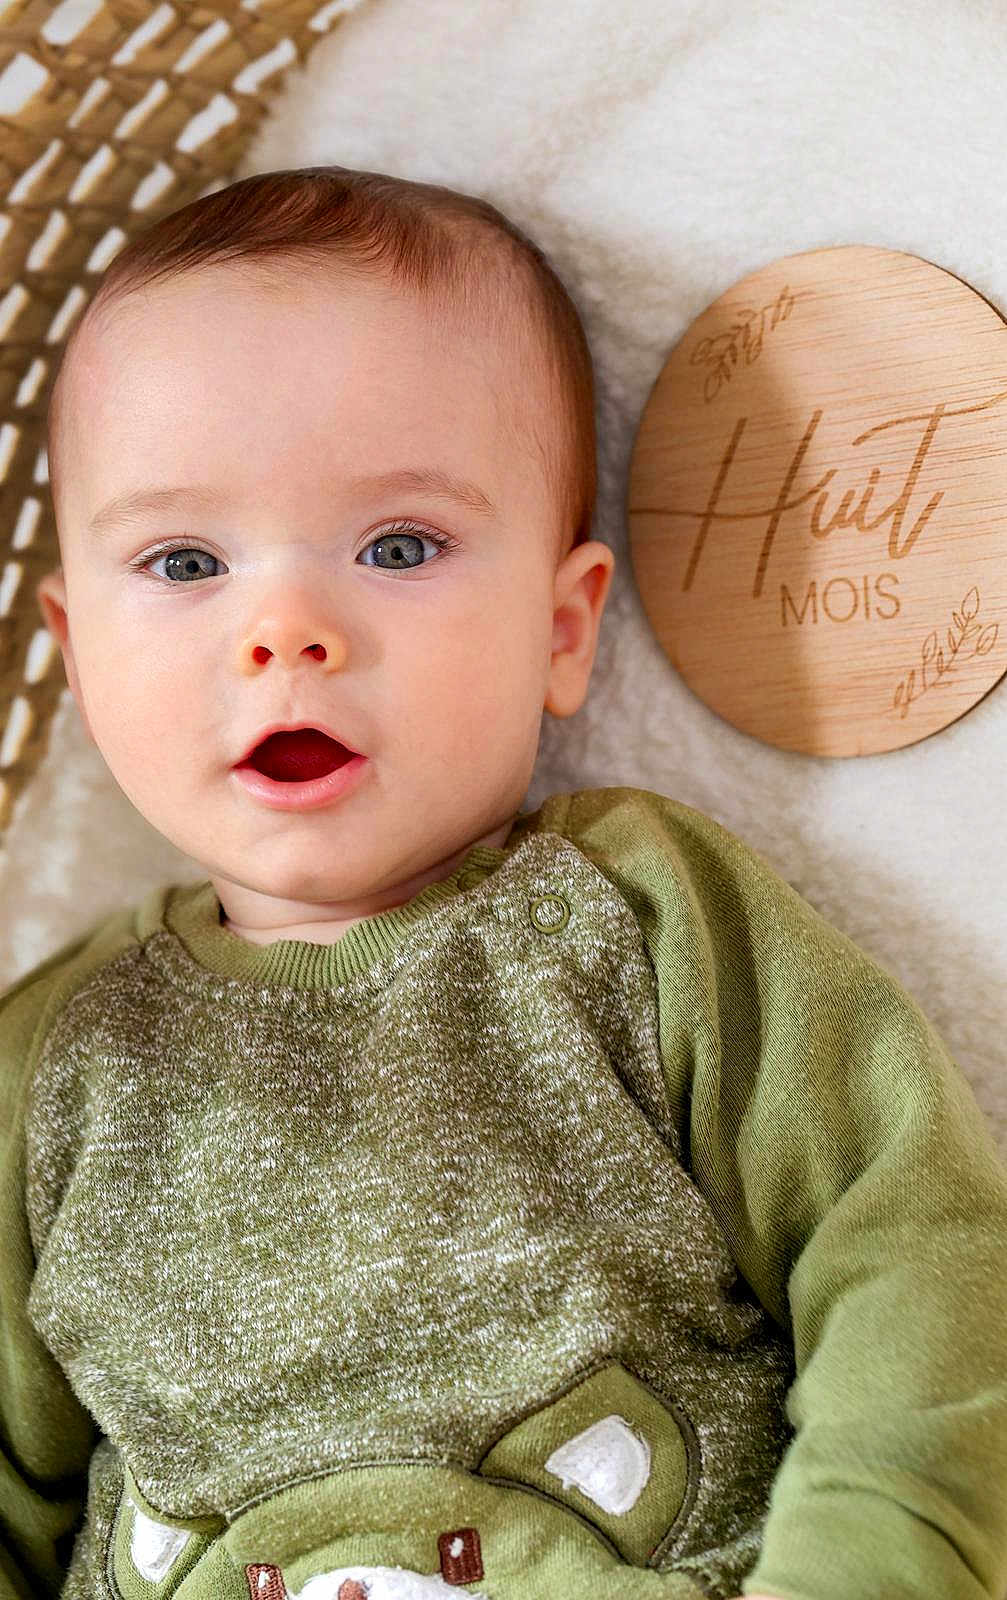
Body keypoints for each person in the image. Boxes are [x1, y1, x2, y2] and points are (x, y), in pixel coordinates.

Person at [3, 165, 1004, 1600]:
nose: (285, 629)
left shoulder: (634, 922)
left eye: (398, 546)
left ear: (560, 627)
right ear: (78, 649)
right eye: (184, 560)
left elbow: (912, 1248)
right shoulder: (60, 1067)